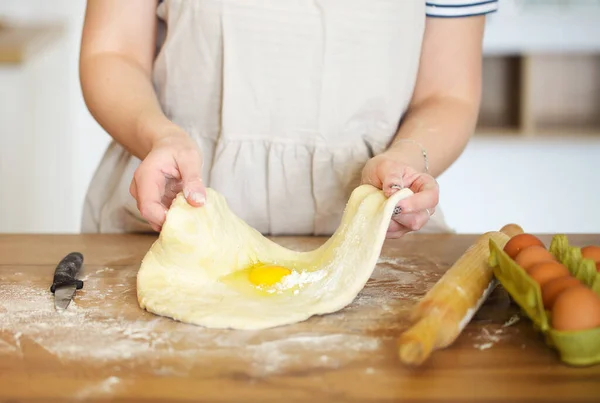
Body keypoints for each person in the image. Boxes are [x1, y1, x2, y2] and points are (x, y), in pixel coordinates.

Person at [79, 0, 498, 238]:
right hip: (174, 213)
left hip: (372, 234)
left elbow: (448, 94)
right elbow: (111, 53)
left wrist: (407, 158)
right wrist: (160, 137)